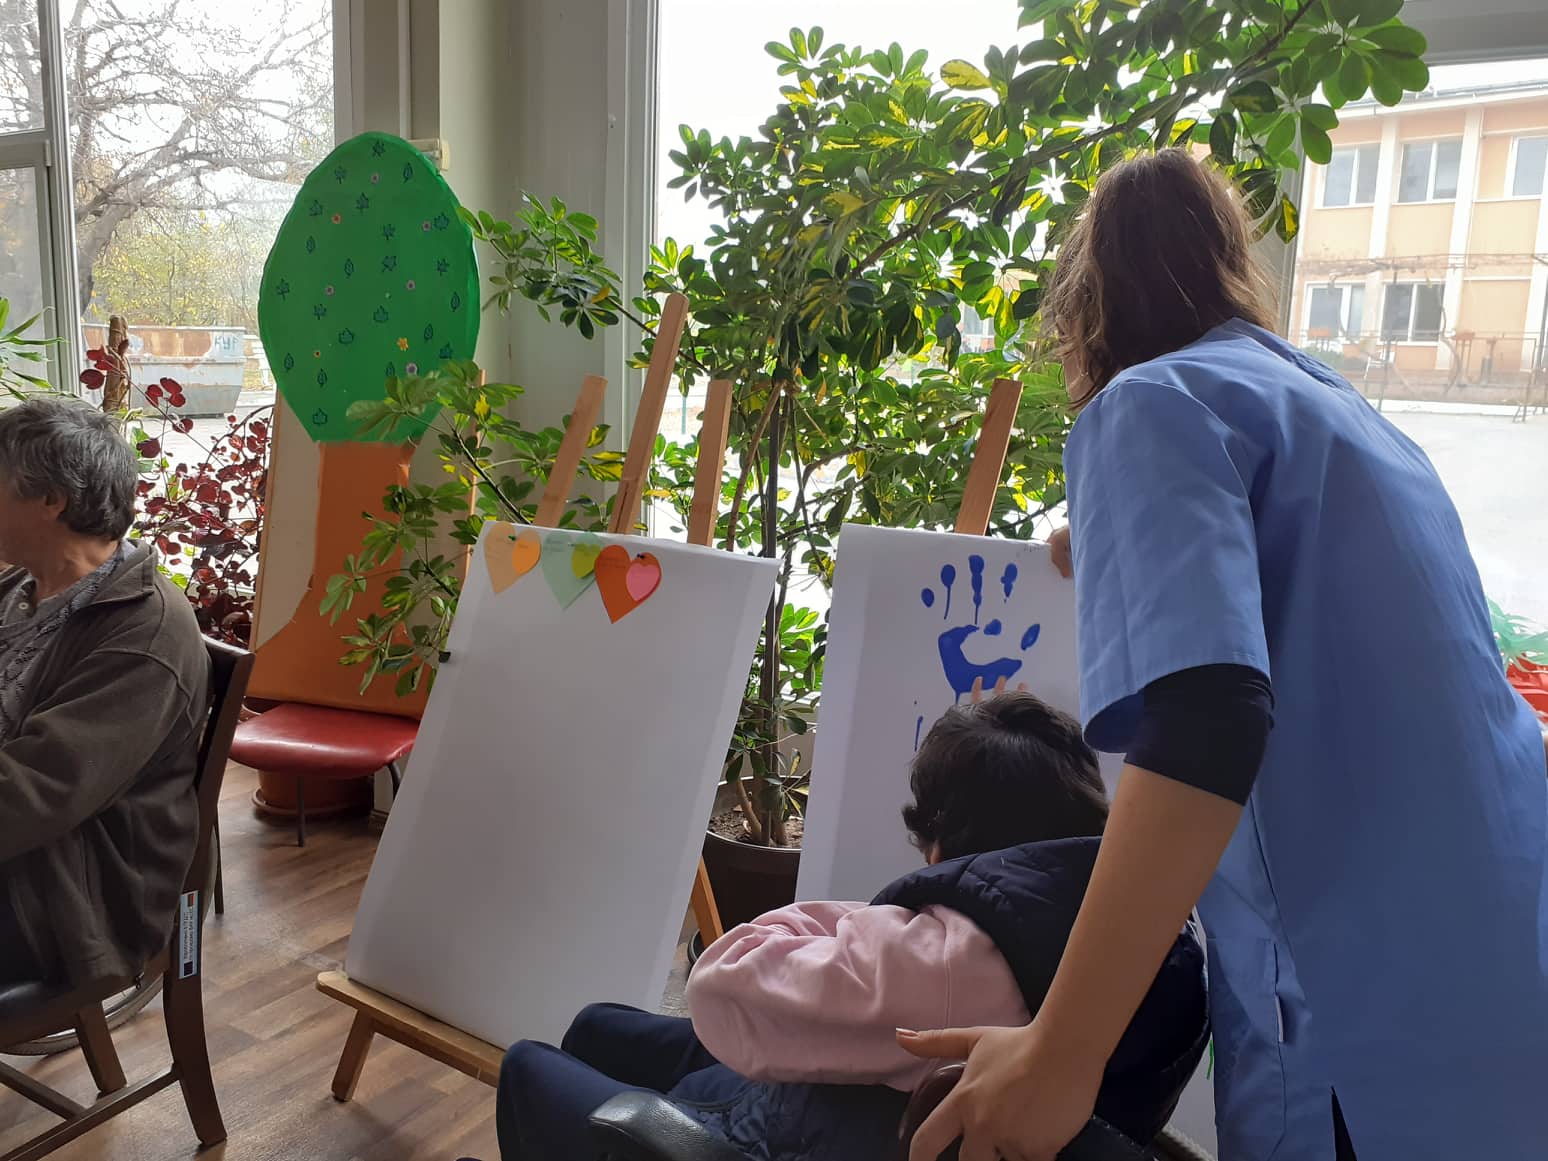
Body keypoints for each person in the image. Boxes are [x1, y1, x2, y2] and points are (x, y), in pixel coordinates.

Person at [901, 150, 1548, 1161]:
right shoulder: (1348, 416)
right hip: (1502, 975)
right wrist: (1110, 539)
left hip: (1365, 1022)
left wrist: (1061, 1051)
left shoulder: (1148, 404)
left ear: (1084, 315)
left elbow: (1207, 717)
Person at [491, 693, 1207, 1161]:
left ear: (941, 837)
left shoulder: (949, 959)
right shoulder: (1139, 932)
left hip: (776, 1134)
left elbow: (716, 980)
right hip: (849, 1109)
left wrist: (874, 915)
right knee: (593, 1026)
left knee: (527, 1064)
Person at [0, 396, 210, 989]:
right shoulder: (20, 586)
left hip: (63, 895)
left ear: (51, 499)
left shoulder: (146, 633)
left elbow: (37, 791)